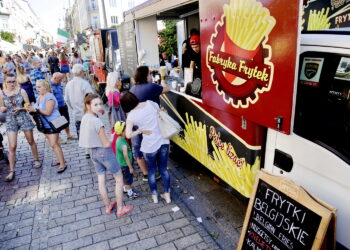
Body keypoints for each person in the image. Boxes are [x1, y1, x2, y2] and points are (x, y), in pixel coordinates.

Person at [79, 93, 134, 216]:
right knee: (119, 179)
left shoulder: (85, 117)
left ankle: (108, 206)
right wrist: (113, 136)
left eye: (100, 104)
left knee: (101, 180)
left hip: (93, 152)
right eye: (96, 104)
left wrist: (99, 112)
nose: (99, 107)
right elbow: (107, 144)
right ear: (88, 105)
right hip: (105, 153)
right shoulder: (97, 122)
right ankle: (120, 208)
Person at [120, 92, 171, 204]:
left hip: (149, 145)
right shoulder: (151, 103)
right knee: (163, 169)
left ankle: (155, 197)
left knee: (151, 172)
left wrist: (139, 130)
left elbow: (128, 135)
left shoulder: (131, 116)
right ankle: (167, 195)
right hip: (163, 140)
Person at [130, 66, 170, 181]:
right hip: (150, 123)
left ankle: (146, 173)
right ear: (145, 76)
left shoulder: (133, 89)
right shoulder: (151, 87)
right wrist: (162, 77)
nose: (151, 76)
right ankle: (156, 171)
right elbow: (166, 89)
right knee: (154, 146)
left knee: (138, 148)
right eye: (150, 74)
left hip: (136, 122)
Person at [0, 73, 41, 182]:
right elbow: (1, 107)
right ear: (5, 82)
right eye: (9, 81)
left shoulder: (21, 91)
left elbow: (28, 105)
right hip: (10, 120)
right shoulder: (2, 93)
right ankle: (11, 171)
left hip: (23, 117)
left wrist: (21, 109)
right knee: (12, 146)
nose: (11, 83)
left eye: (13, 81)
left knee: (30, 140)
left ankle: (36, 159)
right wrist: (2, 108)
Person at [25, 80, 67, 173]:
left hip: (53, 123)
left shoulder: (49, 97)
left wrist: (35, 109)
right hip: (45, 125)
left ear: (46, 87)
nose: (37, 88)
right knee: (54, 145)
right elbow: (36, 108)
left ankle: (63, 164)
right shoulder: (40, 96)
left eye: (39, 87)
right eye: (36, 86)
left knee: (54, 144)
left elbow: (48, 112)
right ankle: (61, 160)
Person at [64, 64, 93, 142]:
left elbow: (67, 99)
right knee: (91, 135)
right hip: (87, 113)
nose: (84, 73)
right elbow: (91, 97)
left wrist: (73, 108)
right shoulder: (84, 83)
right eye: (83, 71)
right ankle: (90, 152)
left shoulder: (68, 84)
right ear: (81, 72)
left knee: (81, 136)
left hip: (77, 114)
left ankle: (86, 151)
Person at [114, 121, 140, 199]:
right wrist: (130, 167)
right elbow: (126, 157)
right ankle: (130, 193)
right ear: (122, 132)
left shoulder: (119, 139)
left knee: (124, 177)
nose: (128, 131)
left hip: (120, 164)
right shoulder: (124, 145)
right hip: (126, 165)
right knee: (128, 179)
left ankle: (125, 188)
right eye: (126, 130)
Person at [50, 72, 75, 141]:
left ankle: (68, 135)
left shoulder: (59, 83)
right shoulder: (49, 85)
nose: (61, 81)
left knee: (66, 121)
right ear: (55, 78)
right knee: (57, 122)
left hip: (63, 105)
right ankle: (59, 138)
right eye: (60, 79)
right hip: (56, 107)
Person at [105, 72, 125, 155]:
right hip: (119, 117)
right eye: (118, 79)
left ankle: (116, 153)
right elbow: (123, 104)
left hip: (113, 118)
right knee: (120, 134)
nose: (120, 80)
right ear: (114, 81)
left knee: (115, 133)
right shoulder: (116, 93)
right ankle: (122, 154)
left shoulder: (109, 91)